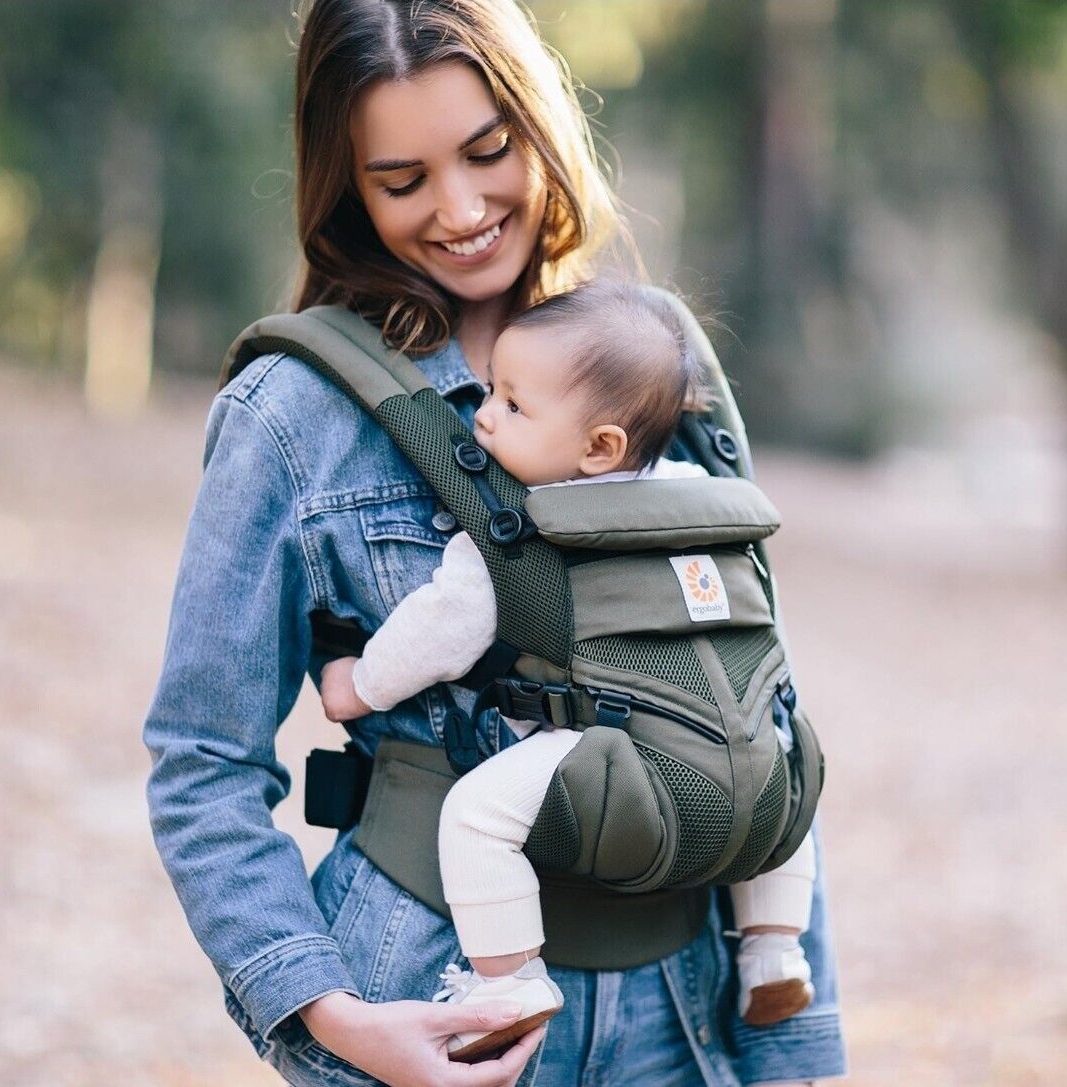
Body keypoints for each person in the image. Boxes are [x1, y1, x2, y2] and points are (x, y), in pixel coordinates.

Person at [144, 2, 845, 1085]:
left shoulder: (656, 356)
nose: (462, 209)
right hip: (435, 1004)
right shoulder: (291, 411)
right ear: (346, 188)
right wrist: (327, 1013)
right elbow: (203, 762)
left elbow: (754, 713)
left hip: (689, 1010)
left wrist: (795, 1049)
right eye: (402, 179)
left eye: (488, 151)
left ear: (540, 126)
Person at [319, 280, 818, 1062]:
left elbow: (436, 633)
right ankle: (774, 948)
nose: (482, 415)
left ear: (599, 449)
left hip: (612, 761)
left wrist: (360, 684)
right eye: (490, 390)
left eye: (513, 406)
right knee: (772, 787)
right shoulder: (704, 498)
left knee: (476, 815)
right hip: (730, 759)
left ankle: (511, 976)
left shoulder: (520, 532)